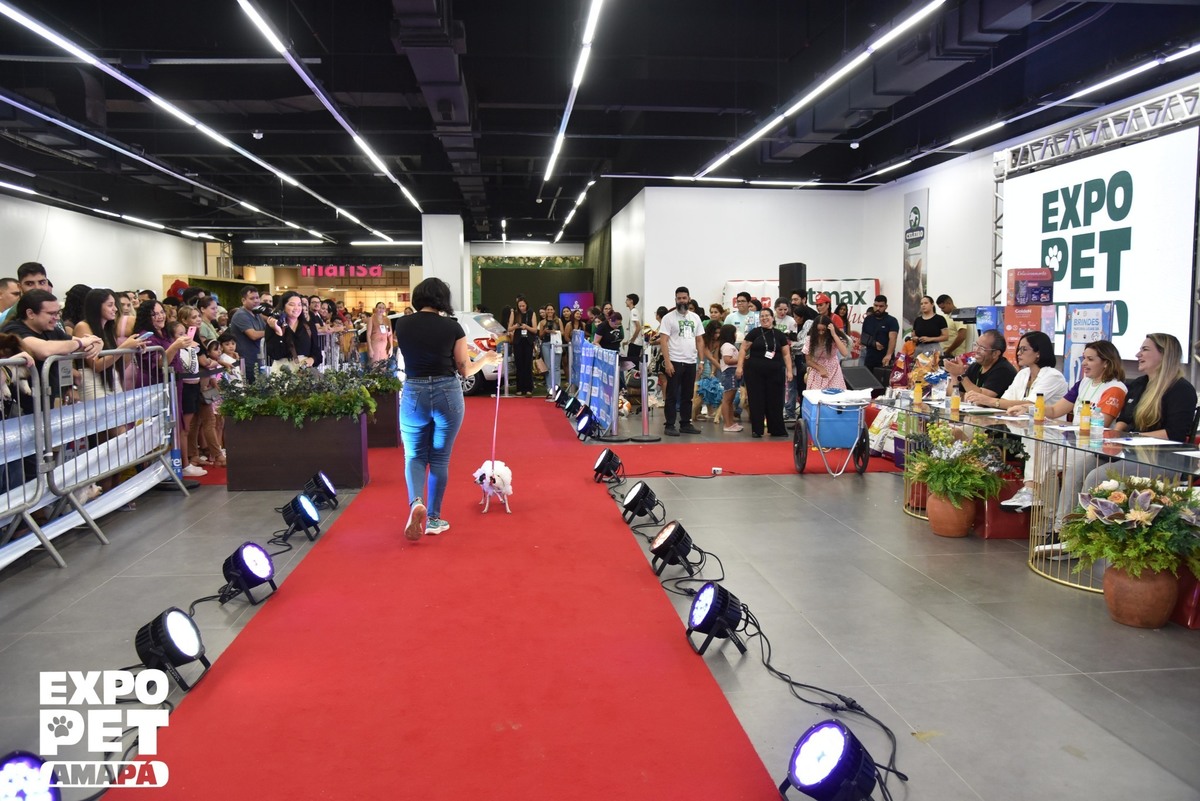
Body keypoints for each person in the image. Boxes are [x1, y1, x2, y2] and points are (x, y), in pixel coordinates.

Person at [394, 278, 502, 541]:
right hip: (447, 393)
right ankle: (433, 518)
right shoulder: (452, 327)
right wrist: (486, 358)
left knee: (414, 456)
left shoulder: (402, 324)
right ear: (442, 298)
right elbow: (465, 369)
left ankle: (416, 502)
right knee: (440, 458)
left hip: (414, 392)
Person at [1003, 340, 1126, 518]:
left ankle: (1049, 510)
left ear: (1106, 363)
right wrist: (1029, 408)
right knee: (1041, 452)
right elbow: (1055, 410)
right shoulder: (1084, 383)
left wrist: (1062, 426)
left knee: (1043, 462)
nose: (1084, 363)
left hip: (1096, 447)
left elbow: (1100, 425)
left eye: (1090, 359)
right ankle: (1045, 512)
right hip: (1075, 442)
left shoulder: (1115, 388)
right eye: (1084, 358)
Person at [72, 288, 144, 404]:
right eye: (110, 305)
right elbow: (96, 365)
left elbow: (120, 365)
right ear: (97, 306)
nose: (115, 309)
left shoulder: (108, 329)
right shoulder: (83, 327)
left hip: (111, 378)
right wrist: (124, 347)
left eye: (114, 305)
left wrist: (131, 349)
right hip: (93, 381)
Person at [965, 330, 1066, 412]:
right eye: (1019, 349)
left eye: (1024, 349)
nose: (1018, 353)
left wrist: (989, 400)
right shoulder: (1023, 373)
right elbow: (1005, 400)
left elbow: (1030, 405)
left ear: (1038, 353)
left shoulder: (1053, 376)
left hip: (1046, 428)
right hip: (1021, 426)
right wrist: (981, 400)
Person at [736, 306, 793, 438]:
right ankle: (757, 429)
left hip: (776, 372)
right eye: (762, 316)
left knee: (775, 400)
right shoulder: (754, 333)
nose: (764, 318)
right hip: (754, 372)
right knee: (756, 399)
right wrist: (739, 366)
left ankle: (777, 429)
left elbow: (786, 354)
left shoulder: (779, 335)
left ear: (772, 318)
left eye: (767, 316)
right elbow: (743, 349)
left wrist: (789, 371)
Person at [658, 287, 705, 436]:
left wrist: (701, 362)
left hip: (691, 361)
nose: (682, 301)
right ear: (675, 300)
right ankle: (669, 425)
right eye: (679, 298)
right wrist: (667, 362)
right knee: (672, 395)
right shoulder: (668, 318)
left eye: (684, 298)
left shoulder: (695, 318)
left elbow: (699, 340)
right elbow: (663, 341)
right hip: (675, 361)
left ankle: (685, 423)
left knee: (687, 395)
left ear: (689, 299)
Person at [947, 329, 1017, 400]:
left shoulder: (1003, 370)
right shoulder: (975, 366)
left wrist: (961, 375)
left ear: (995, 354)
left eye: (982, 348)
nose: (976, 350)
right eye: (976, 345)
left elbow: (981, 398)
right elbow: (953, 397)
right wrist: (954, 376)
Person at [229, 285, 280, 381]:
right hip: (247, 361)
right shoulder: (241, 315)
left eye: (257, 298)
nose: (256, 301)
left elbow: (267, 327)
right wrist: (273, 330)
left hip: (259, 360)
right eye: (252, 298)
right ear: (243, 300)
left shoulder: (257, 314)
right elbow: (253, 335)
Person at [266, 291, 323, 372]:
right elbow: (275, 354)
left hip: (303, 372)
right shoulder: (273, 325)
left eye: (299, 305)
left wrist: (312, 359)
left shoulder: (308, 326)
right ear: (283, 306)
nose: (296, 308)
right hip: (282, 372)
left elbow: (317, 353)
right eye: (292, 305)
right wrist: (279, 333)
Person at [802, 314, 849, 390]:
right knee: (816, 395)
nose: (821, 333)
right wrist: (820, 369)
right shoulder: (810, 339)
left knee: (835, 394)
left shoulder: (834, 338)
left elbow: (844, 353)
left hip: (833, 371)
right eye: (818, 330)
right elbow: (808, 361)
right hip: (816, 370)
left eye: (823, 330)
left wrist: (834, 334)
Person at [506, 296, 537, 396]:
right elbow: (509, 328)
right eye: (520, 306)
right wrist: (515, 326)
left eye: (523, 306)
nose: (521, 308)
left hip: (528, 341)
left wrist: (526, 327)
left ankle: (529, 388)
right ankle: (519, 388)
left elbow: (535, 330)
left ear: (526, 305)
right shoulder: (514, 313)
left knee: (528, 364)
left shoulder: (532, 313)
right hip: (518, 341)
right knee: (519, 364)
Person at [859, 295, 899, 371]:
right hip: (869, 358)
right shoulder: (868, 319)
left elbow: (893, 338)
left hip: (885, 359)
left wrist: (888, 355)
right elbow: (863, 338)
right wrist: (873, 343)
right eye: (876, 305)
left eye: (881, 306)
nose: (878, 308)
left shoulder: (892, 320)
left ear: (886, 306)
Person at [716, 324, 741, 432]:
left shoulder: (729, 345)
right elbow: (727, 360)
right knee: (727, 400)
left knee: (730, 400)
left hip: (732, 373)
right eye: (734, 333)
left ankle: (731, 422)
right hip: (729, 373)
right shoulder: (727, 346)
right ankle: (727, 424)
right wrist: (741, 359)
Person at [539, 305, 563, 388]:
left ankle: (557, 386)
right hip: (546, 344)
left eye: (551, 309)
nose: (550, 311)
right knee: (548, 366)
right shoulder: (542, 322)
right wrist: (545, 331)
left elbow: (562, 332)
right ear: (545, 311)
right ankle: (549, 387)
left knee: (556, 366)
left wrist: (555, 331)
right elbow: (540, 335)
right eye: (548, 309)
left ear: (554, 310)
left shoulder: (558, 320)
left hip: (556, 344)